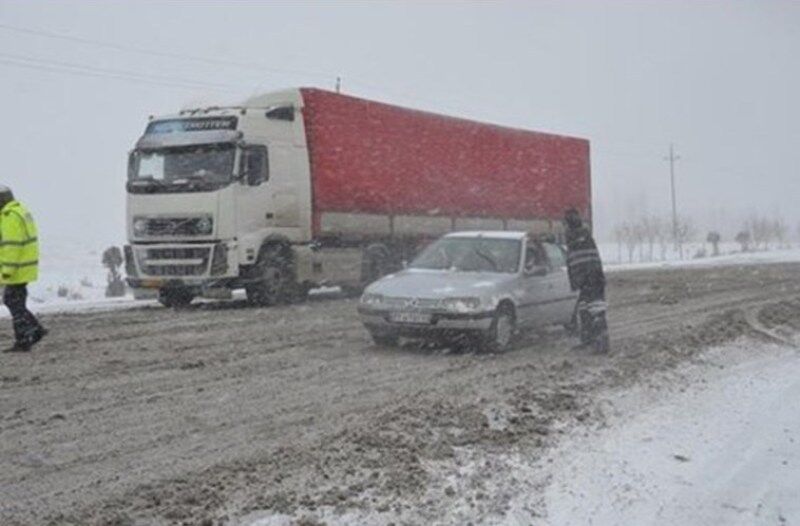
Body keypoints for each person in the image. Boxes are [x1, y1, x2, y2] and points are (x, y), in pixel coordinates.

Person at [0, 186, 46, 352]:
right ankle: (31, 332)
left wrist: (6, 271)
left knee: (13, 301)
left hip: (16, 269)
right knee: (15, 301)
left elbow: (12, 246)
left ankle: (27, 336)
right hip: (24, 267)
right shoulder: (19, 211)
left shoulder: (9, 216)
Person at [563, 208, 609, 353]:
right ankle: (591, 340)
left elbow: (573, 257)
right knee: (588, 309)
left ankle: (599, 343)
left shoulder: (575, 236)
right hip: (592, 278)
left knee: (594, 309)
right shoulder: (585, 235)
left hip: (588, 279)